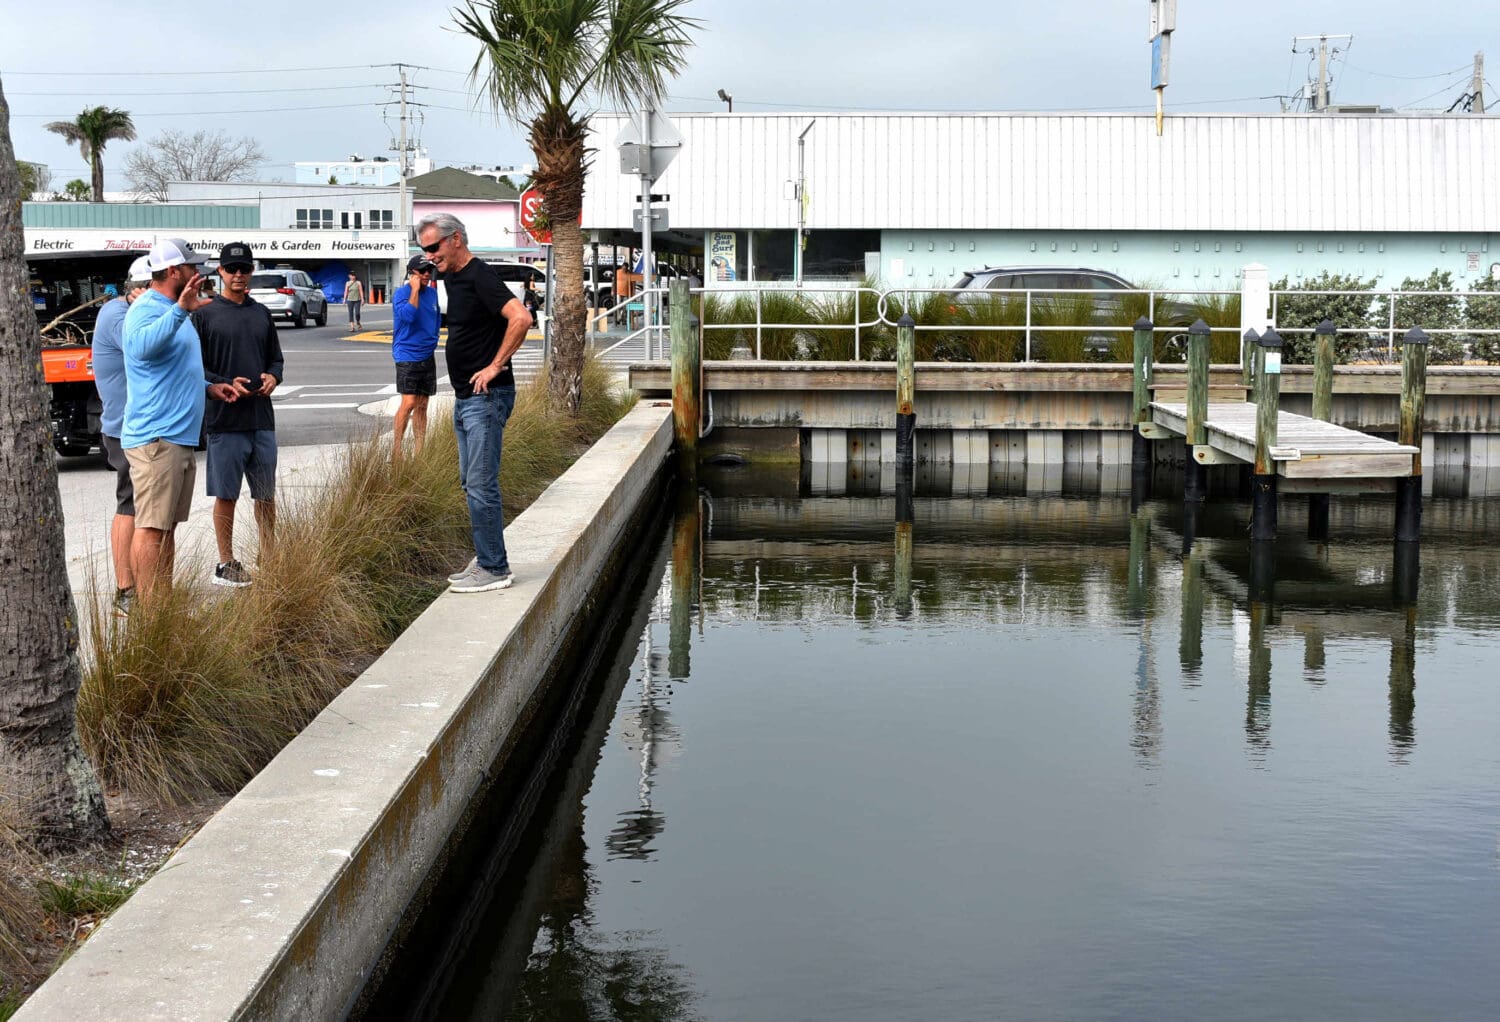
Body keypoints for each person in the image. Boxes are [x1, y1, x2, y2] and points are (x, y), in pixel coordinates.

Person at [416, 211, 532, 593]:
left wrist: (495, 366)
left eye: (434, 247)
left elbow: (521, 318)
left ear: (456, 239)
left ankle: (495, 568)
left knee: (482, 483)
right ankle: (485, 557)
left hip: (487, 396)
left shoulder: (480, 275)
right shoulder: (452, 275)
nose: (430, 256)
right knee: (470, 482)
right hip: (467, 397)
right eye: (424, 250)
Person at [122, 239, 240, 601]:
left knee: (167, 527)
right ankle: (148, 609)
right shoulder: (147, 308)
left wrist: (210, 387)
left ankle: (162, 601)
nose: (198, 272)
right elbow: (140, 348)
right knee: (152, 528)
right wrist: (179, 311)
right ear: (174, 272)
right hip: (157, 437)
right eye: (191, 267)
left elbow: (172, 367)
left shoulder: (175, 309)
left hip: (178, 438)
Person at [193, 242, 284, 587]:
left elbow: (275, 358)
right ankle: (226, 562)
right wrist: (221, 382)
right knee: (226, 494)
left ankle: (270, 555)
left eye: (244, 269)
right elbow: (194, 368)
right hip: (225, 420)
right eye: (232, 269)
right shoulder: (203, 314)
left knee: (266, 494)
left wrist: (273, 376)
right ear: (220, 272)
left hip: (261, 418)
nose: (239, 275)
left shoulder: (260, 313)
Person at [91, 255, 152, 617]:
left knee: (149, 511)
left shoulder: (131, 310)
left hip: (143, 425)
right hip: (125, 427)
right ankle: (125, 590)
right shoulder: (117, 316)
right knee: (129, 504)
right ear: (138, 289)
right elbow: (144, 348)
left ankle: (149, 588)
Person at [391, 254, 440, 462]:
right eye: (422, 271)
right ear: (412, 273)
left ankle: (420, 452)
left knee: (422, 405)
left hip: (426, 355)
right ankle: (397, 449)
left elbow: (436, 319)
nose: (427, 274)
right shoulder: (401, 294)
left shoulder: (433, 294)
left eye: (429, 270)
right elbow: (409, 316)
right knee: (409, 402)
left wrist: (433, 340)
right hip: (407, 354)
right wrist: (414, 289)